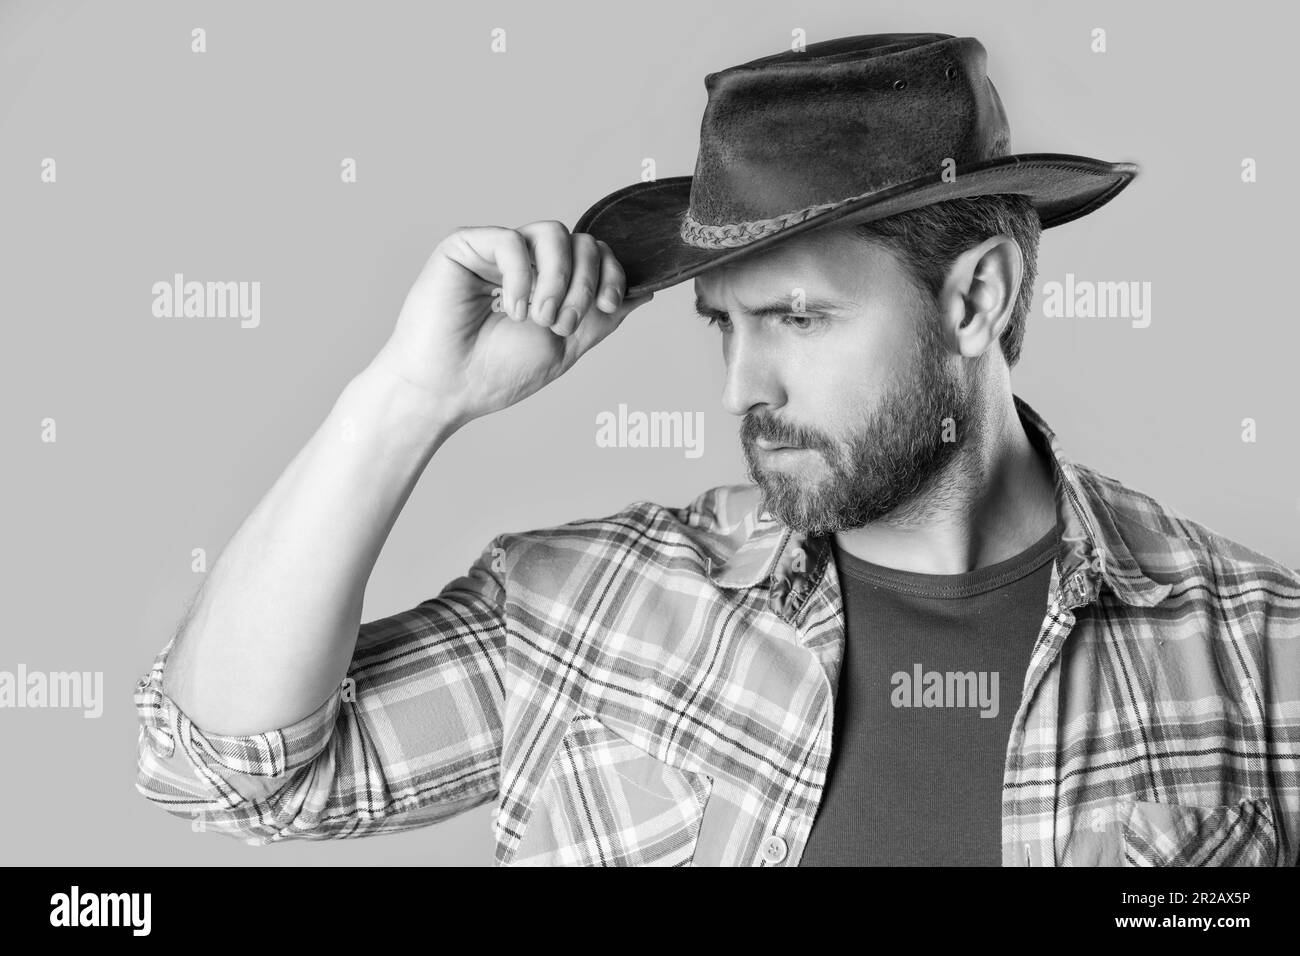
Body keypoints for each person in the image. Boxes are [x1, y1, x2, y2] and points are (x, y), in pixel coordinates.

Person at [133, 32, 1300, 866]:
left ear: (975, 301)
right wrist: (402, 401)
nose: (744, 388)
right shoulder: (587, 611)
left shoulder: (1260, 654)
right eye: (722, 325)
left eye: (795, 318)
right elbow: (223, 768)